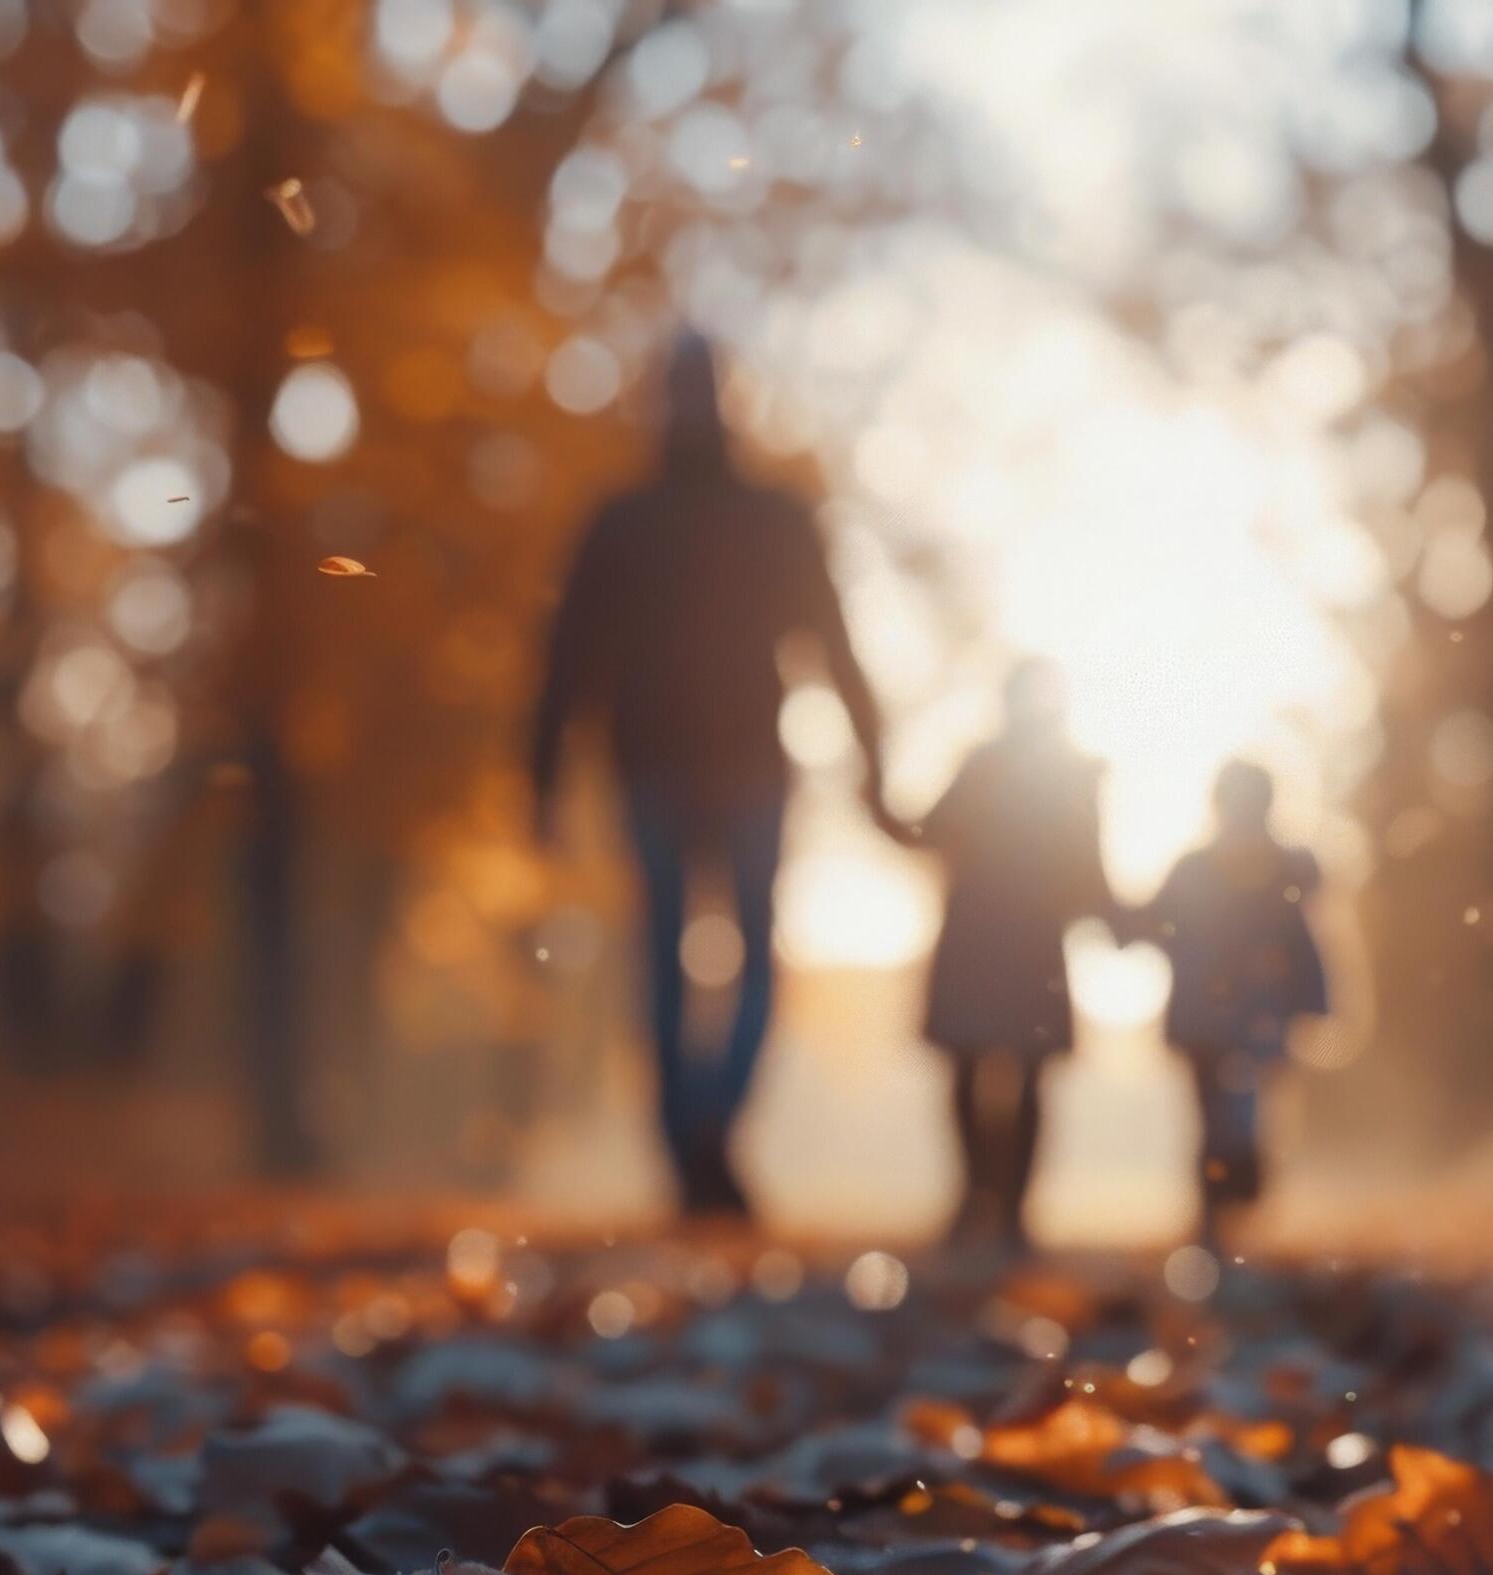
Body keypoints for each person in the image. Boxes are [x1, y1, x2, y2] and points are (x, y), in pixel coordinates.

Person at [529, 330, 892, 1215]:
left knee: (671, 966)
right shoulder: (765, 517)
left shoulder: (629, 519)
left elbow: (567, 655)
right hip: (719, 770)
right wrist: (872, 762)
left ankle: (695, 1136)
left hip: (670, 767)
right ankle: (706, 1134)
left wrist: (540, 774)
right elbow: (831, 645)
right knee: (733, 965)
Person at [915, 660, 1112, 1245]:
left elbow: (931, 831)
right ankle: (994, 1205)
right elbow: (1089, 873)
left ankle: (992, 1204)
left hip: (999, 940)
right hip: (1013, 942)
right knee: (1001, 1072)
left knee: (993, 1072)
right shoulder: (1050, 772)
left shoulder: (1008, 768)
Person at [1130, 761, 1328, 1237]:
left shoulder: (1271, 870)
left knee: (1236, 1117)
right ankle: (1220, 1213)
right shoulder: (1252, 870)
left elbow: (1300, 943)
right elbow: (1159, 924)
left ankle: (1228, 1211)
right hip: (1230, 1020)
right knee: (1227, 1117)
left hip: (1234, 1017)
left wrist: (1312, 1001)